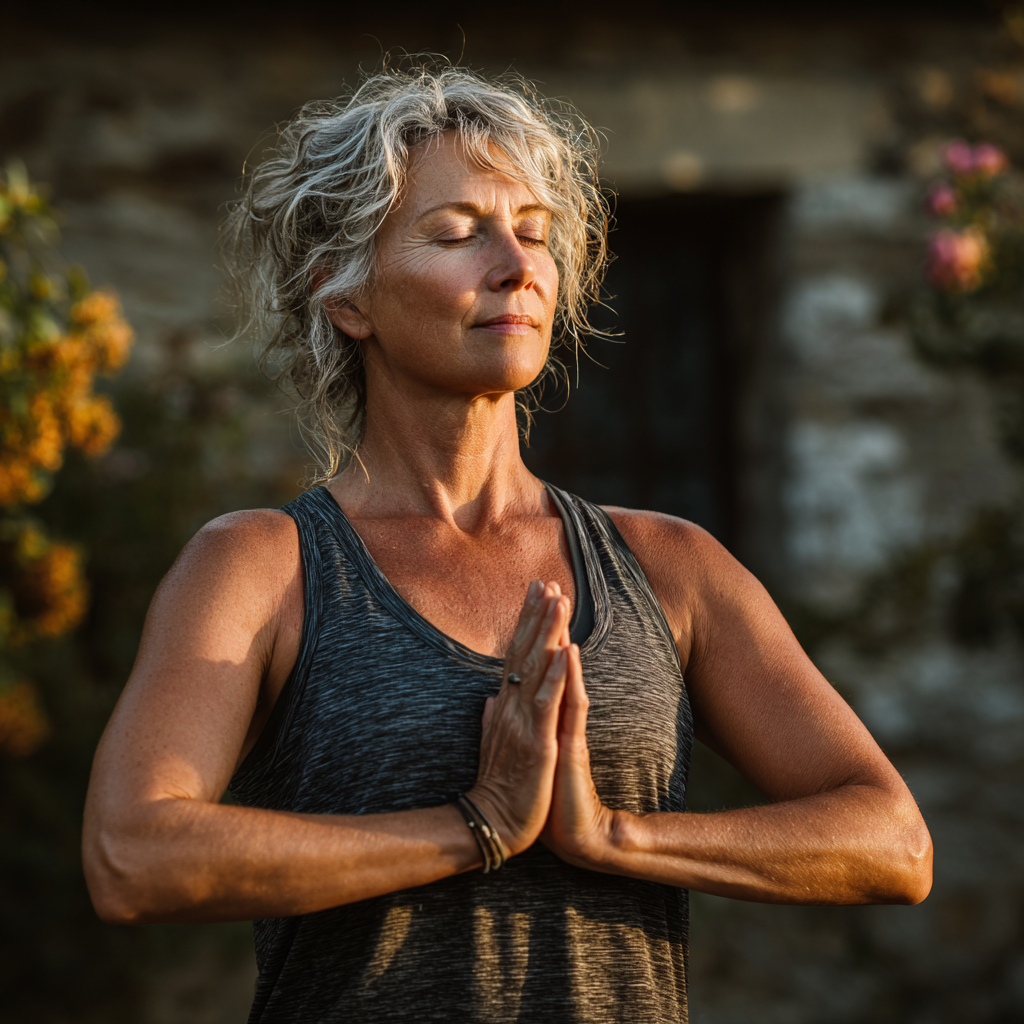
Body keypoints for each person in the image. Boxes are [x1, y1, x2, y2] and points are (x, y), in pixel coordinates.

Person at [82, 67, 932, 1024]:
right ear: (344, 296)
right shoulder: (261, 567)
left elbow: (892, 842)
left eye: (533, 232)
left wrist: (610, 837)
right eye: (455, 235)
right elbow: (133, 857)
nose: (516, 264)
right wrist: (475, 826)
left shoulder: (668, 565)